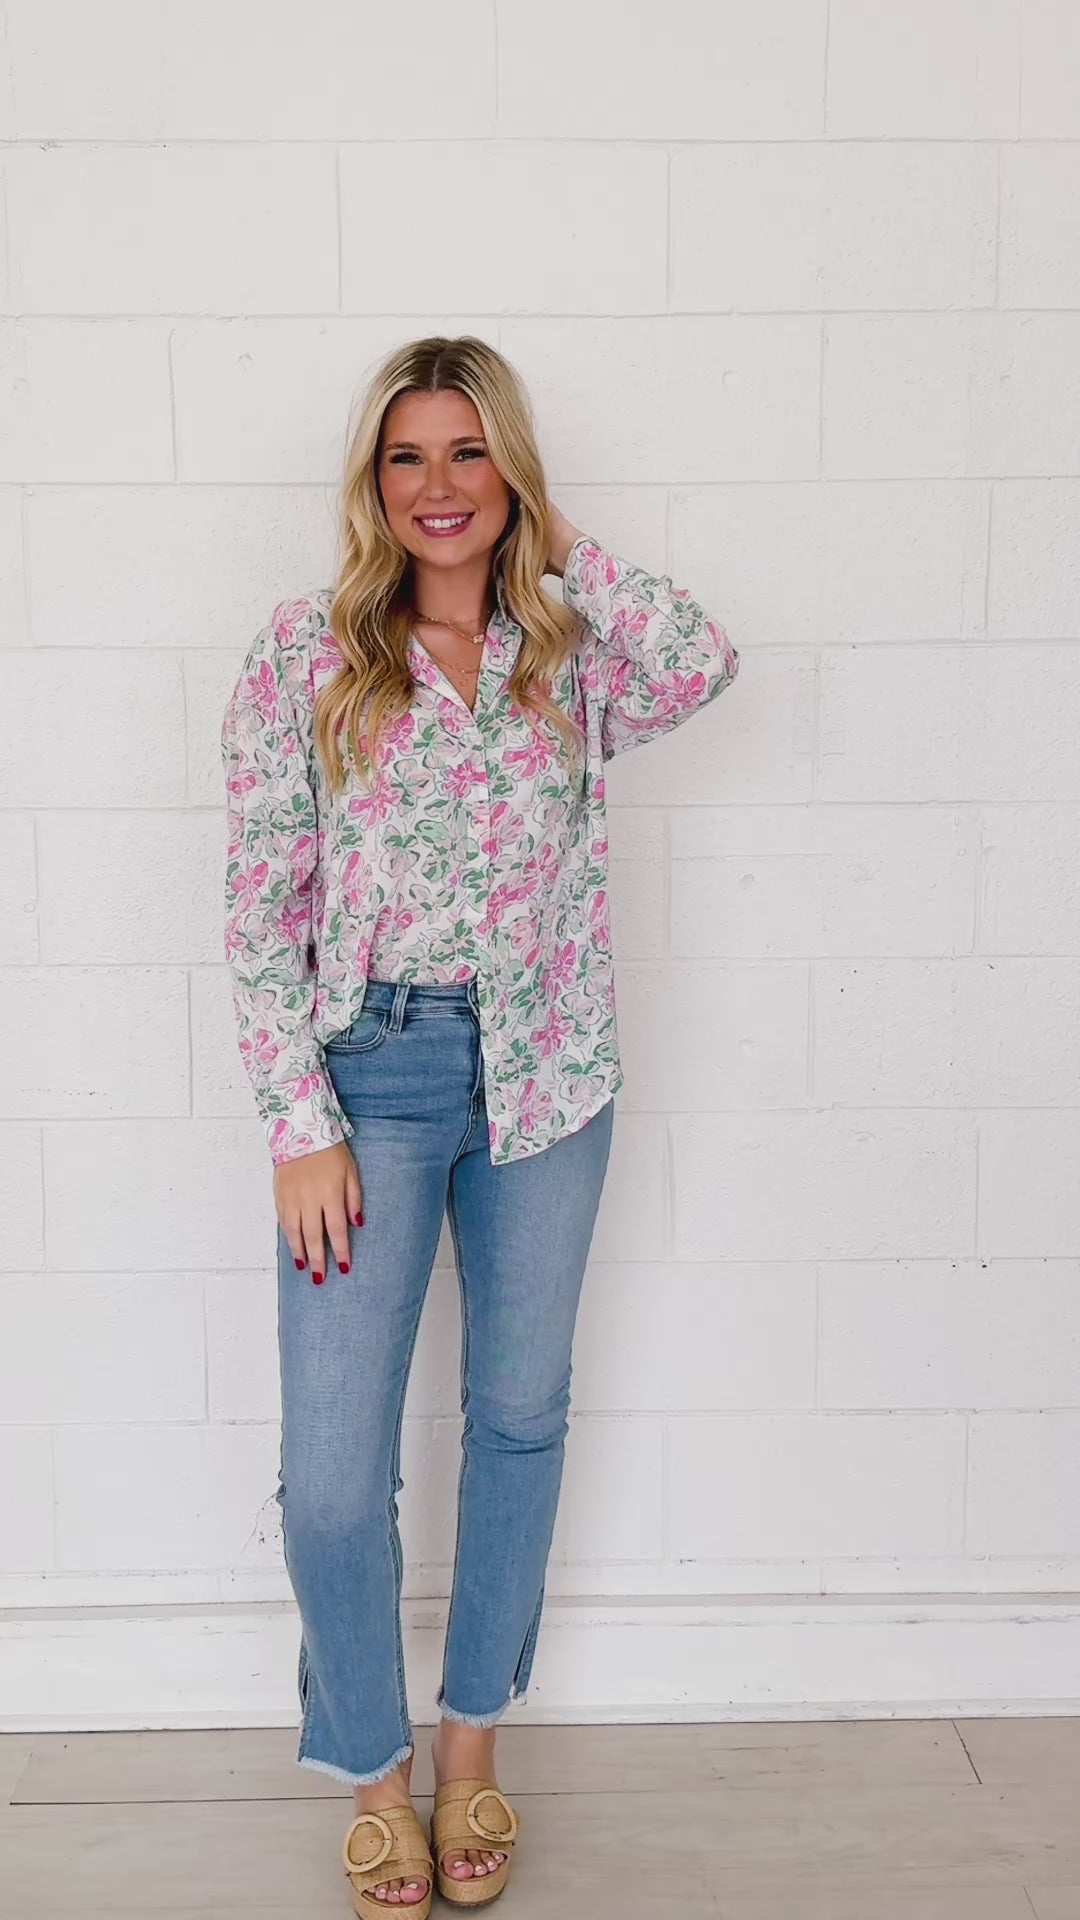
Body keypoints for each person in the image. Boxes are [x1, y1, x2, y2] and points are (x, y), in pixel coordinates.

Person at [220, 334, 739, 1916]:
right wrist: (298, 1120)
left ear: (510, 465)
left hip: (550, 1074)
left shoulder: (571, 653)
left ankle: (469, 1755)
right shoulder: (305, 653)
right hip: (368, 1076)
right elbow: (261, 902)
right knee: (332, 1472)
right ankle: (371, 1773)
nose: (437, 487)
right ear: (370, 481)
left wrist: (557, 536)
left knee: (517, 1419)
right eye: (407, 456)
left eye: (469, 452)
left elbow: (704, 659)